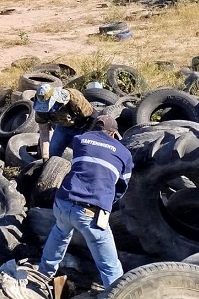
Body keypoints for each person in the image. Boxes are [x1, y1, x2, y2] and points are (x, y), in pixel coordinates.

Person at [38, 115, 133, 289]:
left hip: (62, 202)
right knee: (109, 265)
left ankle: (42, 275)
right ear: (113, 134)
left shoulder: (80, 140)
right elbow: (121, 186)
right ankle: (119, 292)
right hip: (89, 210)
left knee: (60, 232)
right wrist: (107, 203)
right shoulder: (125, 153)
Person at [33, 83, 95, 161]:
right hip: (62, 128)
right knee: (52, 154)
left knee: (81, 156)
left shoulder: (73, 98)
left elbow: (92, 115)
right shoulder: (40, 111)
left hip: (82, 127)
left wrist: (86, 136)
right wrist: (45, 157)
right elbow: (43, 132)